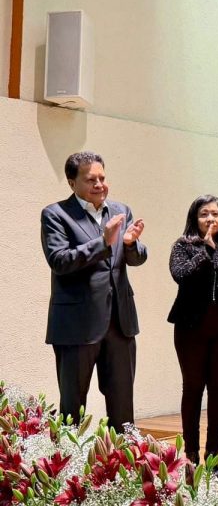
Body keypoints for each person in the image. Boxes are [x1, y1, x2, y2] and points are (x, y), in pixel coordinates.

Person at [41, 151, 147, 432]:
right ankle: (68, 460)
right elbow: (59, 260)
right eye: (91, 180)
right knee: (72, 410)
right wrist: (103, 242)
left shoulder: (120, 210)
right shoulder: (56, 214)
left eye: (102, 178)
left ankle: (123, 458)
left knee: (123, 410)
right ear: (71, 182)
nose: (99, 184)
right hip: (76, 326)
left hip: (120, 323)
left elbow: (137, 258)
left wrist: (129, 244)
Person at [168, 195, 218, 469]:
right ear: (195, 218)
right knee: (192, 388)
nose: (210, 219)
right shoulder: (183, 245)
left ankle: (213, 456)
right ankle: (190, 455)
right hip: (190, 328)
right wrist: (206, 249)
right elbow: (181, 274)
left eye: (215, 214)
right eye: (204, 214)